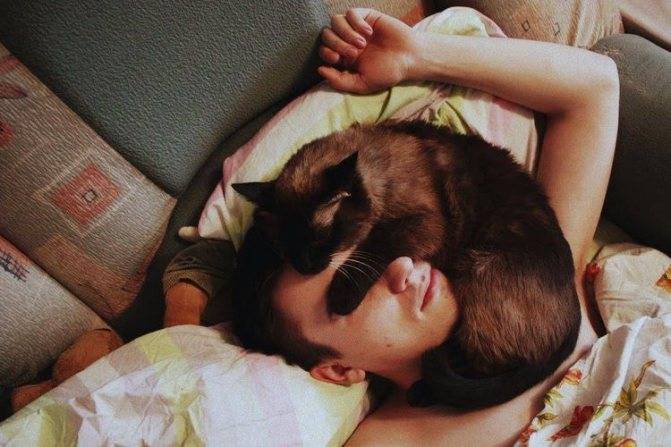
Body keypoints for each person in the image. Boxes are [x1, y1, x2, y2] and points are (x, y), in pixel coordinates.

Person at [164, 8, 619, 445]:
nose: (403, 265)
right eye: (352, 286)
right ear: (338, 370)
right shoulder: (393, 438)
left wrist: (415, 55)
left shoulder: (547, 283)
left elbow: (595, 86)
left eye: (372, 249)